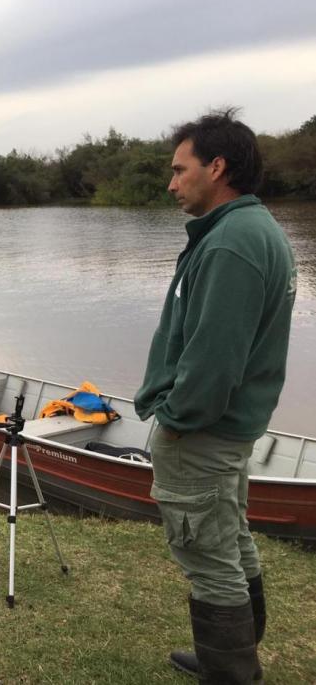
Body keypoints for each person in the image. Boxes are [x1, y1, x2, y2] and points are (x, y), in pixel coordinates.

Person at [135, 109, 297, 684]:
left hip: (204, 432)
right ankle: (232, 658)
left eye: (181, 170)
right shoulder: (253, 231)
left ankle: (231, 674)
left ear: (217, 167)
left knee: (208, 556)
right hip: (231, 429)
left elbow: (215, 357)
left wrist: (177, 421)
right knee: (229, 538)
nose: (172, 183)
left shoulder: (231, 243)